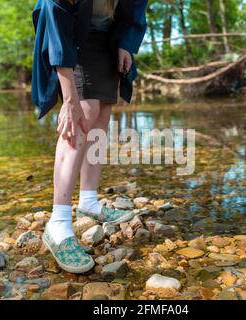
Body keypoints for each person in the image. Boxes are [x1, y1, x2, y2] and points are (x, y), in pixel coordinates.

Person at [31, 0, 147, 273]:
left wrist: (126, 44)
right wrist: (69, 100)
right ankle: (58, 222)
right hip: (73, 35)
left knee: (102, 115)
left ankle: (88, 201)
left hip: (106, 35)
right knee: (83, 114)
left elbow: (134, 8)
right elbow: (58, 30)